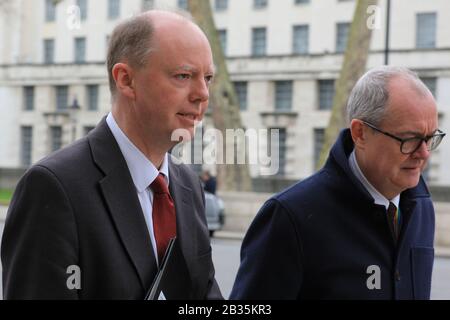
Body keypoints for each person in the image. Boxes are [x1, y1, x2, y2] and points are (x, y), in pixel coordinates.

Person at [1, 10, 222, 300]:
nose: (203, 94)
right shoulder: (53, 188)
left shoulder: (187, 185)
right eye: (183, 76)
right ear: (126, 80)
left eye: (207, 78)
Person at [230, 66, 445, 300]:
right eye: (410, 139)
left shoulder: (421, 207)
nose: (423, 154)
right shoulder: (289, 216)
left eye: (430, 138)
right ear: (360, 133)